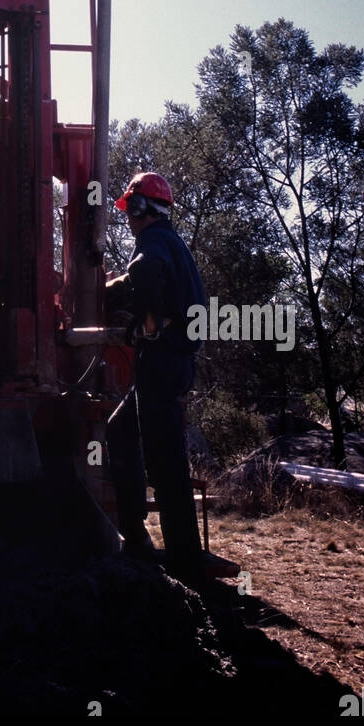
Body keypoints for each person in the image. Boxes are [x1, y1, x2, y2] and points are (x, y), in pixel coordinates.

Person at [105, 172, 240, 582]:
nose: (128, 219)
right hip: (173, 361)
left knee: (165, 458)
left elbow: (145, 272)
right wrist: (109, 290)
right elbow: (139, 278)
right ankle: (137, 537)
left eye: (131, 210)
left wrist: (145, 324)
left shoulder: (153, 244)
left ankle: (185, 558)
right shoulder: (173, 242)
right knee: (120, 431)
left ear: (144, 208)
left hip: (162, 362)